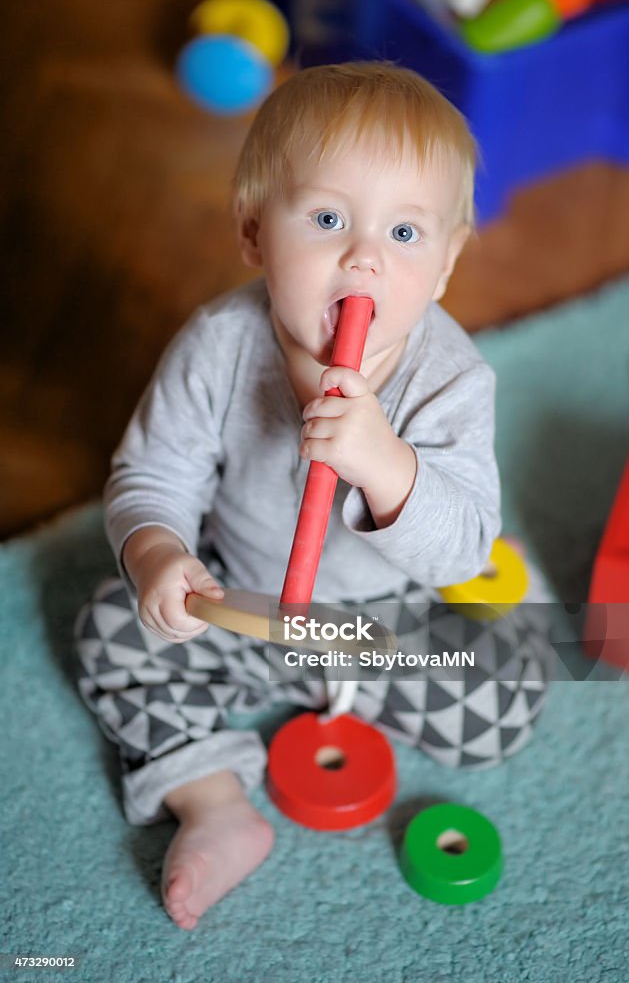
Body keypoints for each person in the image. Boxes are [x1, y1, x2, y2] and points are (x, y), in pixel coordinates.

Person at [74, 62, 551, 931]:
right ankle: (211, 801)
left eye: (405, 234)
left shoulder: (449, 380)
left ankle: (341, 686)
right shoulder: (219, 345)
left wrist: (385, 463)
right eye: (327, 218)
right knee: (112, 626)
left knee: (509, 700)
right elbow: (152, 474)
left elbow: (464, 545)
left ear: (444, 267)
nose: (364, 254)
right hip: (243, 596)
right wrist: (157, 552)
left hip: (384, 619)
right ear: (255, 234)